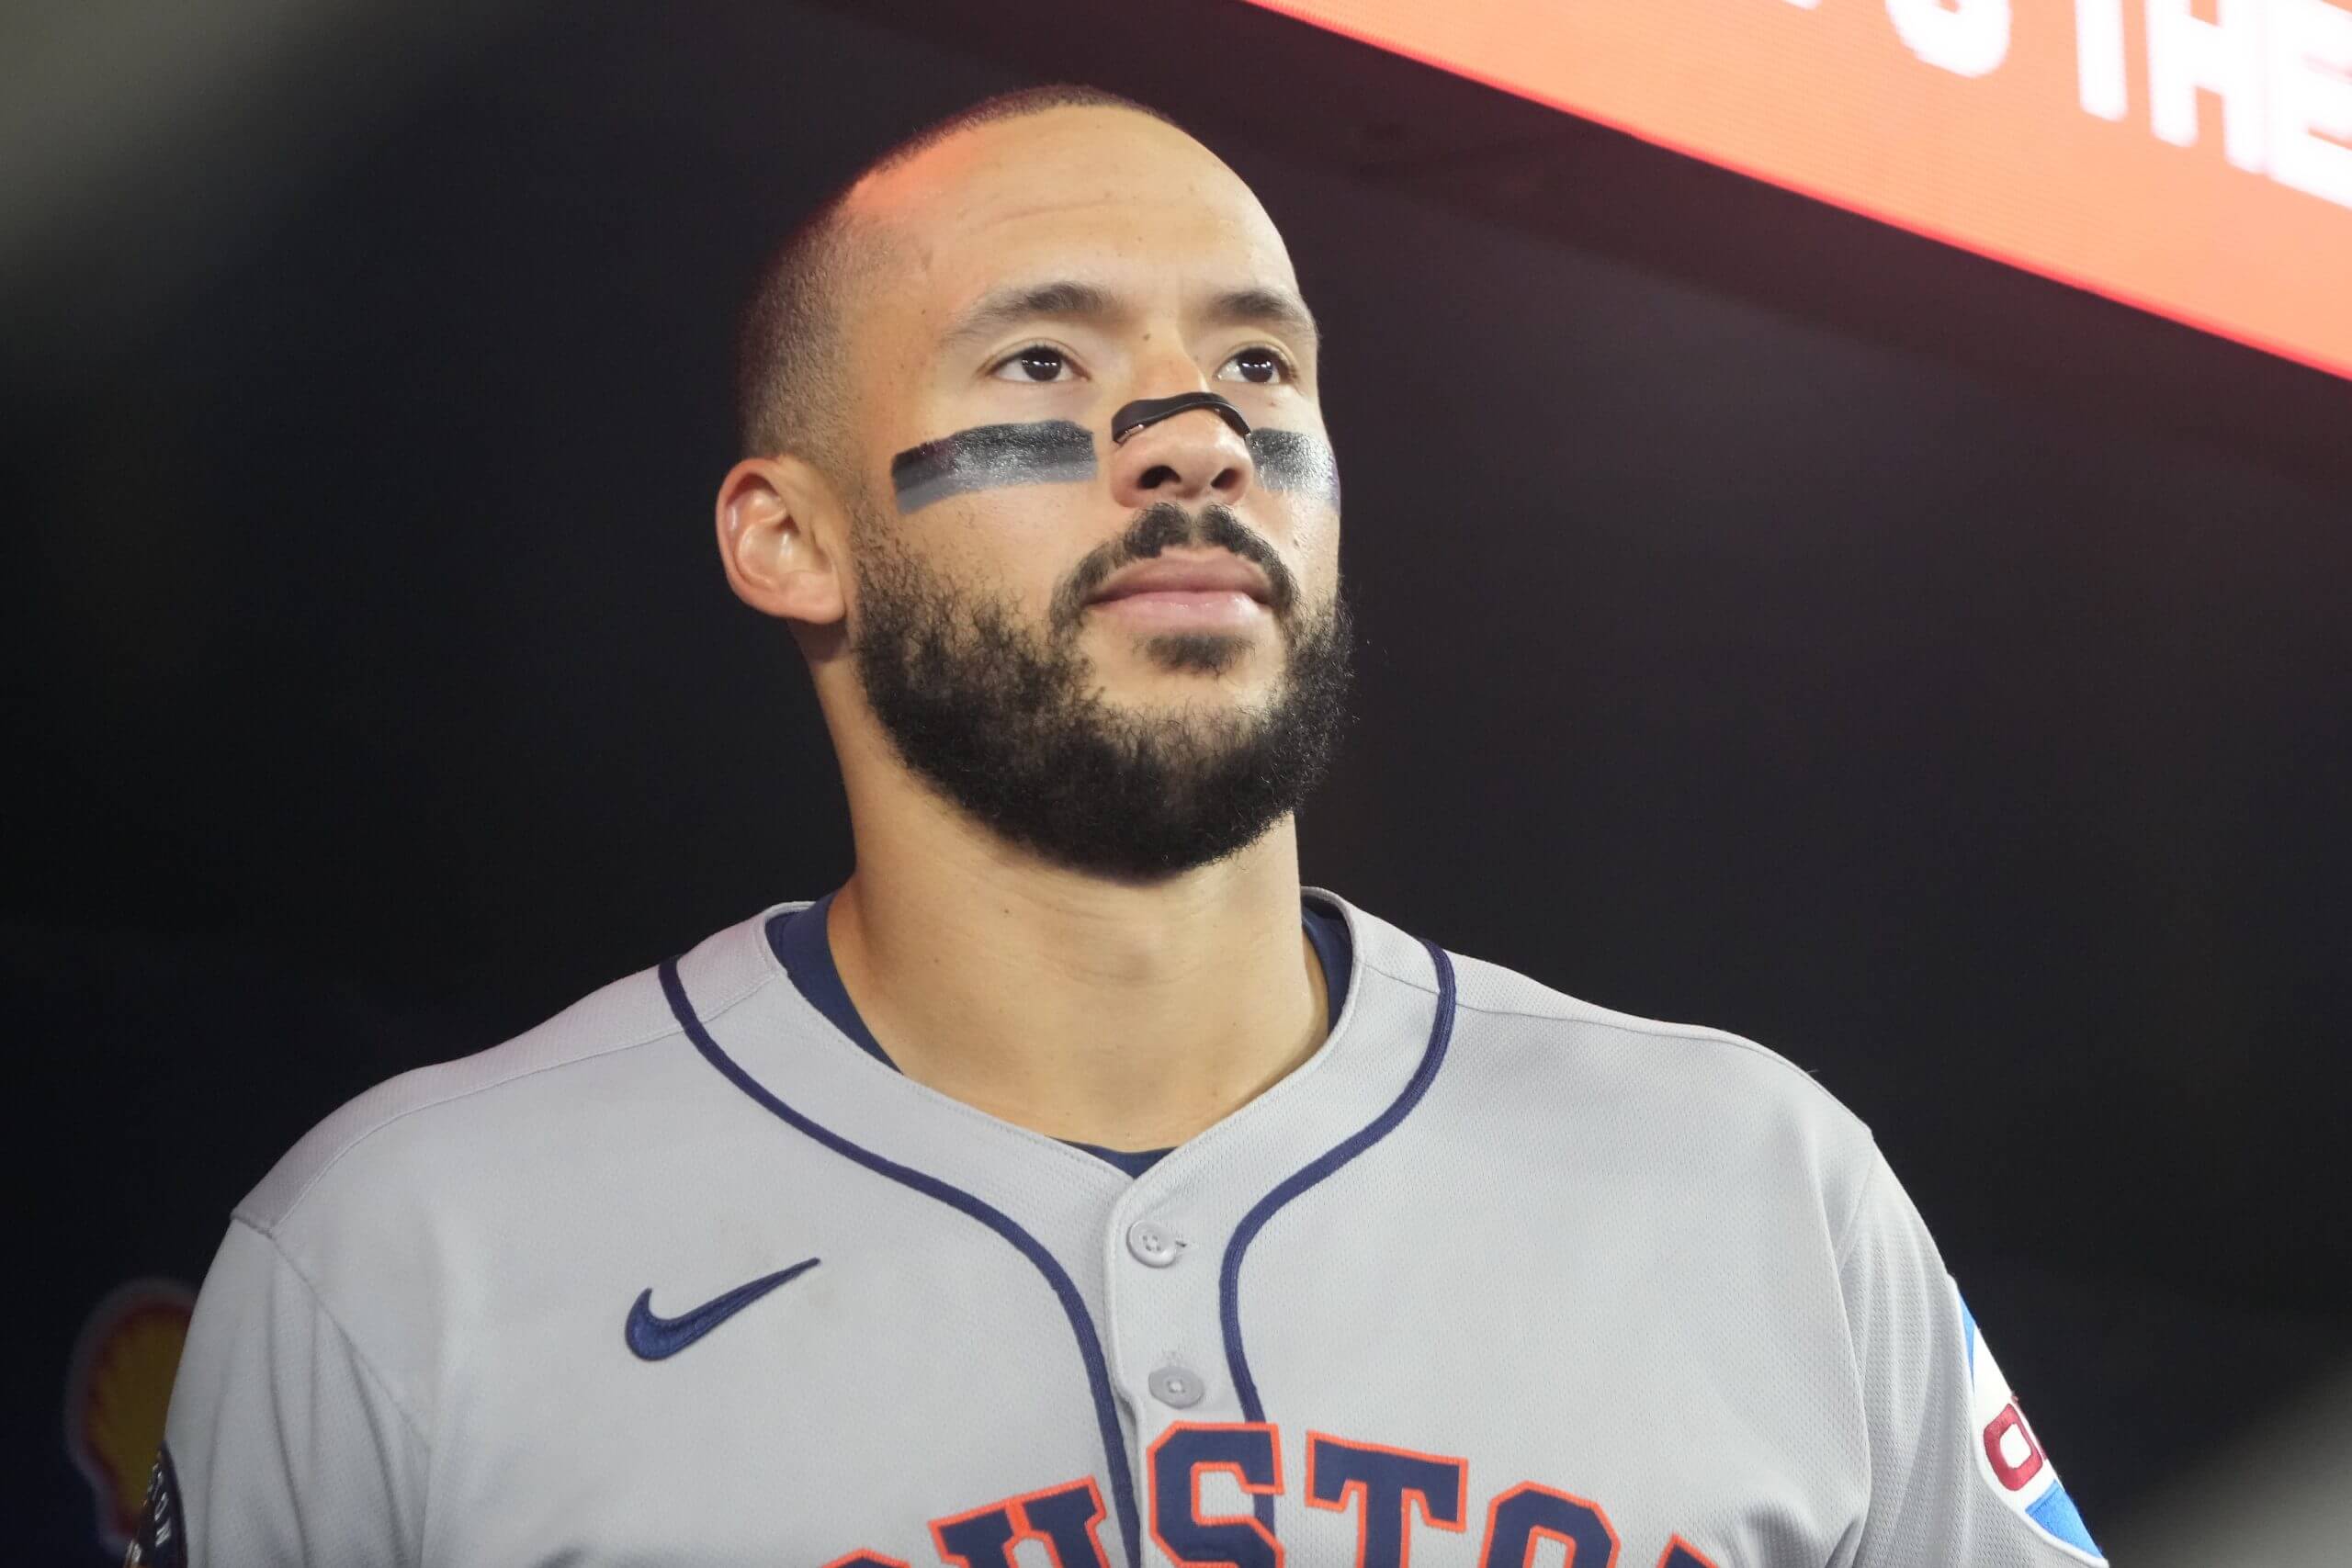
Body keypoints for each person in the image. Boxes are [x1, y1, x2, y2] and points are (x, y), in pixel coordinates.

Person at [142, 84, 2105, 1568]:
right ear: (787, 535)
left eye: (1255, 362)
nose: (1194, 431)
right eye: (1043, 361)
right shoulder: (406, 1256)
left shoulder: (1756, 1184)